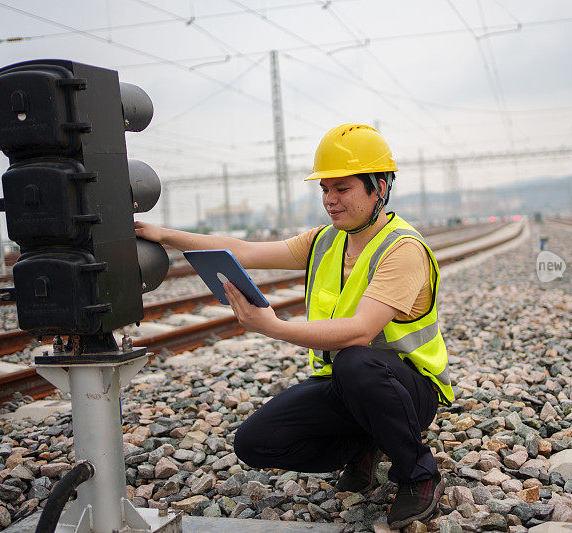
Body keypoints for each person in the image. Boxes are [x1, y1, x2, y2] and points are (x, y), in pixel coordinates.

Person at [135, 123, 454, 529]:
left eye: (343, 189)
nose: (330, 201)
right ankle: (366, 444)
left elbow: (359, 332)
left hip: (408, 391)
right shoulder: (324, 240)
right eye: (325, 189)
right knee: (254, 443)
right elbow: (245, 251)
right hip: (348, 384)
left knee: (356, 361)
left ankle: (419, 474)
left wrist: (273, 326)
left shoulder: (403, 249)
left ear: (380, 188)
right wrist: (164, 234)